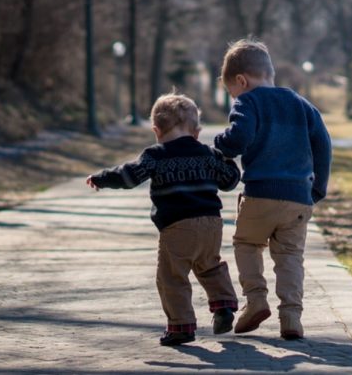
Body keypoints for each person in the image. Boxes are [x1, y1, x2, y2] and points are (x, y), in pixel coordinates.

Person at [86, 93, 241, 346]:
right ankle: (223, 306)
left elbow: (129, 176)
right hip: (212, 223)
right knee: (210, 265)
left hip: (177, 225)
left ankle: (181, 326)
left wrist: (102, 178)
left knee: (172, 276)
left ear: (156, 130)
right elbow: (230, 181)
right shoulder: (207, 153)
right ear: (197, 132)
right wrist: (228, 159)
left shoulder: (155, 155)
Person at [214, 39, 331, 340]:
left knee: (247, 244)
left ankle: (255, 301)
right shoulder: (301, 104)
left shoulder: (248, 102)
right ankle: (291, 317)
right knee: (290, 256)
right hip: (298, 198)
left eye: (232, 92)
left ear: (241, 81)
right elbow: (323, 144)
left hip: (260, 193)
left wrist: (220, 144)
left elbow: (238, 139)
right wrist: (318, 187)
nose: (234, 97)